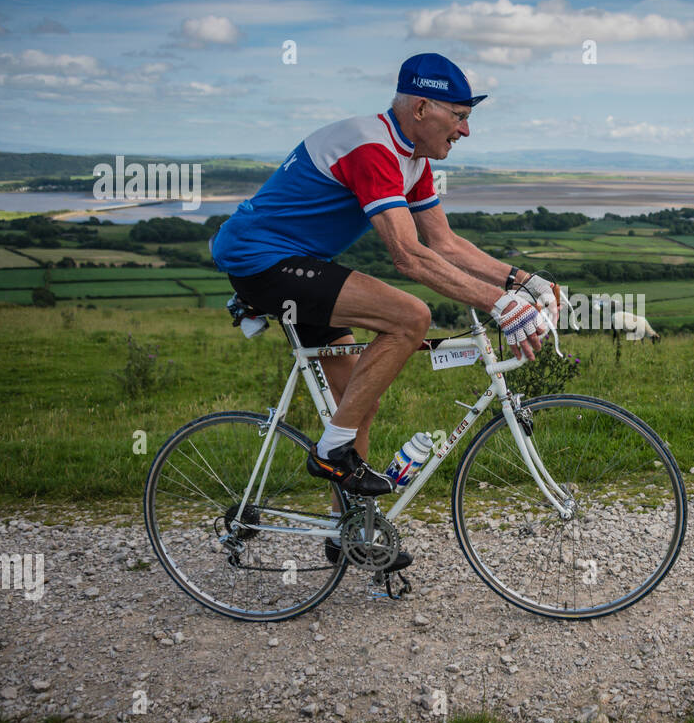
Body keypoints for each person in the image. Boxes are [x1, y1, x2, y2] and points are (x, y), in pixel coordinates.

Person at [210, 53, 563, 570]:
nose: (466, 131)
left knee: (358, 398)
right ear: (422, 107)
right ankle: (331, 456)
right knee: (409, 316)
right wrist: (500, 305)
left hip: (298, 264)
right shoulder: (372, 147)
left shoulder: (413, 159)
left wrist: (524, 282)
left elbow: (442, 241)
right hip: (262, 262)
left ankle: (347, 532)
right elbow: (408, 255)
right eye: (460, 116)